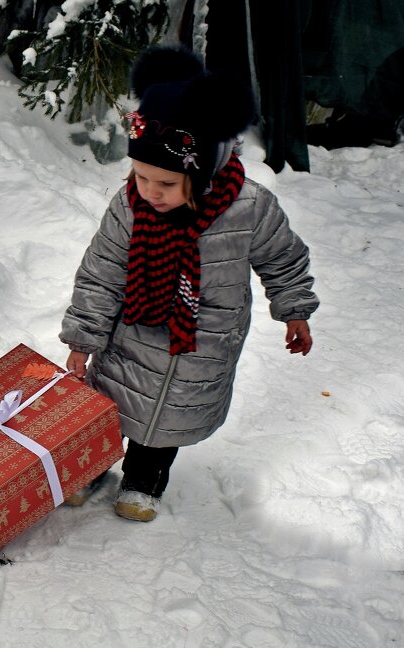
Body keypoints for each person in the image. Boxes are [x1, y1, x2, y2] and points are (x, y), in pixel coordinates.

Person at [59, 45, 319, 522]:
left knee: (169, 423)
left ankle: (144, 481)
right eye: (141, 177)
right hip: (132, 335)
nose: (150, 193)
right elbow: (102, 271)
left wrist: (295, 308)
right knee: (108, 405)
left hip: (202, 346)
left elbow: (284, 258)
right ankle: (91, 467)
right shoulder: (130, 206)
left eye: (165, 184)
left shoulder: (249, 209)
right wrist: (83, 337)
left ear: (202, 174)